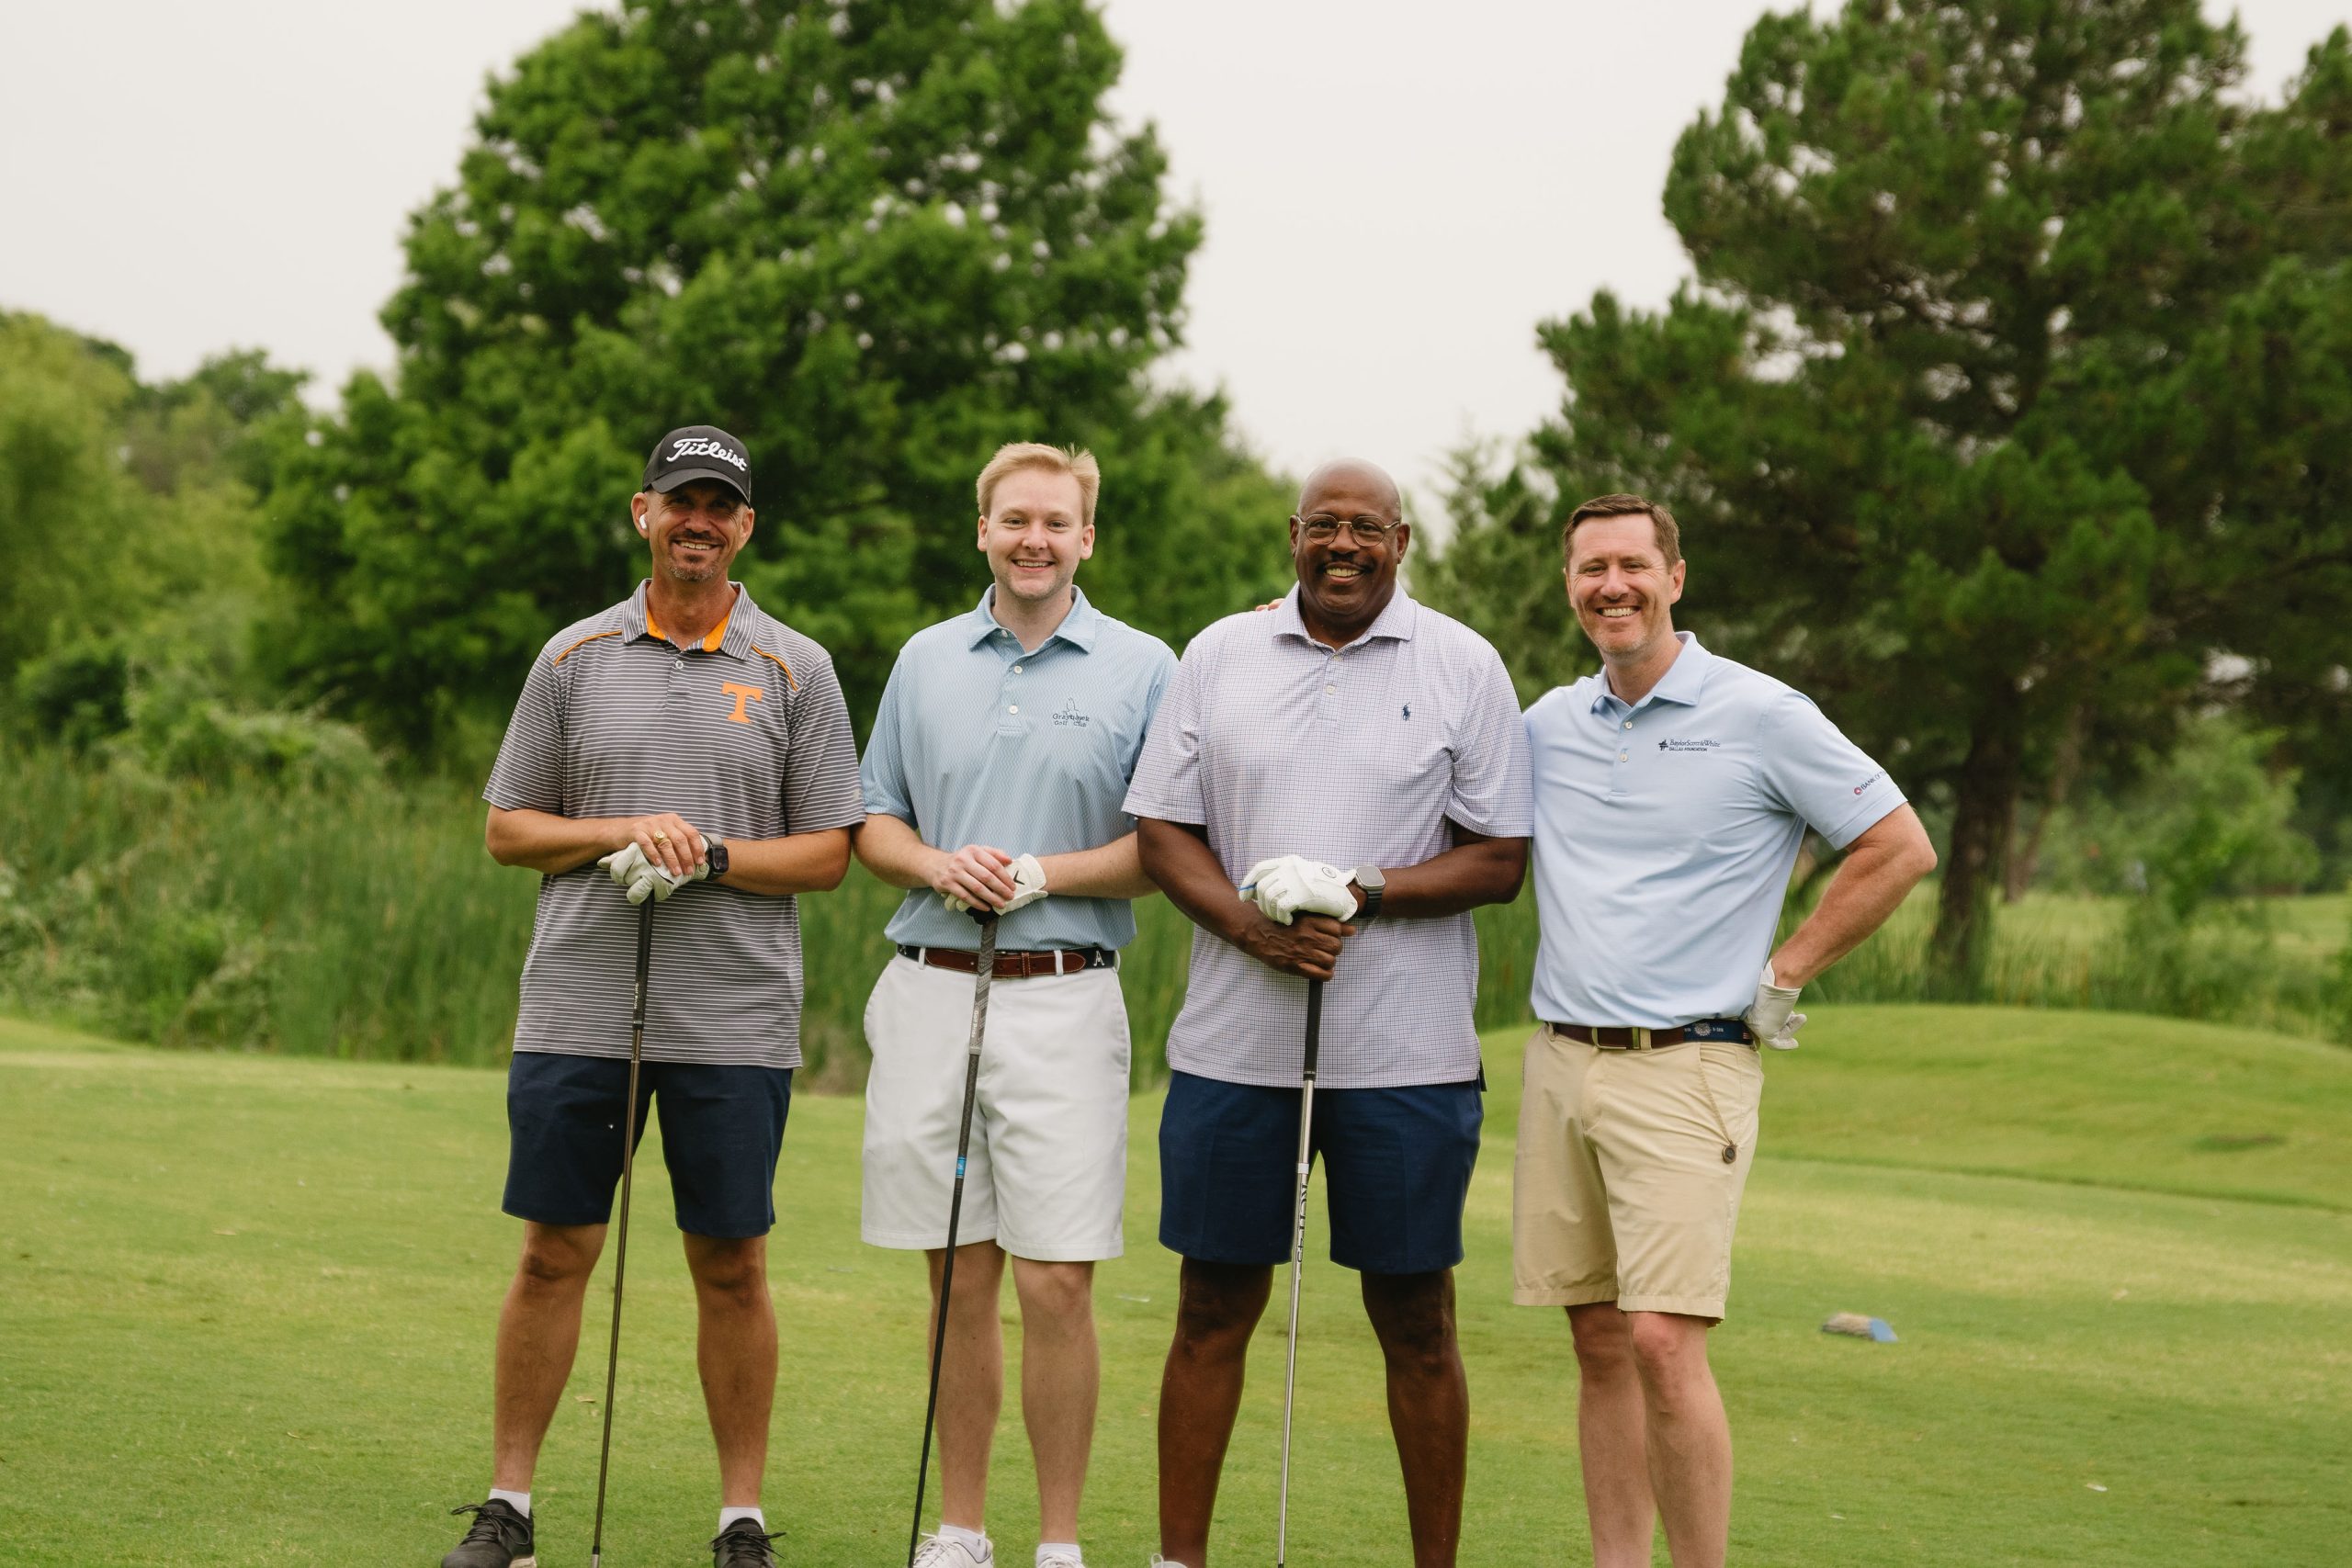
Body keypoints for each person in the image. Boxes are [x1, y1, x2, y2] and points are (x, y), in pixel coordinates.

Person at [446, 425, 865, 1568]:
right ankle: (509, 1507)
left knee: (732, 1261)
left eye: (718, 506)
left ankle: (738, 1519)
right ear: (643, 512)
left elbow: (829, 850)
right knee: (551, 1252)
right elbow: (506, 830)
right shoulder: (572, 657)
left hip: (733, 1016)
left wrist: (714, 858)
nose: (698, 521)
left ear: (744, 528)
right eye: (679, 501)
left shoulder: (796, 668)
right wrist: (621, 831)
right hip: (580, 1002)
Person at [1514, 492, 1938, 1568]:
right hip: (1561, 1060)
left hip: (1688, 1063)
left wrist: (1784, 972)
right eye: (1588, 569)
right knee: (1599, 1338)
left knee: (1661, 1340)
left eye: (1630, 565)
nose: (1610, 585)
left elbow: (1895, 845)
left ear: (1674, 577)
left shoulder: (1759, 712)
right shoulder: (1548, 724)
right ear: (1568, 585)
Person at [1123, 458, 1532, 1568]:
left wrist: (1366, 890)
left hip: (1406, 1057)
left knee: (1417, 1322)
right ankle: (1179, 1560)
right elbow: (1164, 833)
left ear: (1402, 541)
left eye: (1367, 529)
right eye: (1323, 528)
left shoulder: (1462, 664)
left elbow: (1500, 860)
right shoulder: (1218, 654)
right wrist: (1255, 929)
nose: (1342, 546)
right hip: (1233, 1048)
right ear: (1291, 535)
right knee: (1210, 1311)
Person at [854, 443, 1177, 1568]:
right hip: (931, 991)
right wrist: (937, 867)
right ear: (981, 529)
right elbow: (873, 823)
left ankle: (1057, 1542)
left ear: (1088, 537)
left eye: (1056, 521)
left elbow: (1164, 850)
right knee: (957, 1272)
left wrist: (1045, 873)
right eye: (1013, 520)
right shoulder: (926, 659)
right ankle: (961, 1529)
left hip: (1064, 995)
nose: (1033, 538)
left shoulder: (1144, 666)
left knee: (1054, 1280)